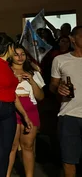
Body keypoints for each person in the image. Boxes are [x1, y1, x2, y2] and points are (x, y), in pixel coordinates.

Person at [0, 35, 33, 177]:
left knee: (6, 152)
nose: (15, 50)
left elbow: (12, 94)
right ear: (8, 47)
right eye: (13, 46)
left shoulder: (7, 67)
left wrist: (25, 115)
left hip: (9, 111)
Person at [6, 44, 45, 177]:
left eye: (22, 54)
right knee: (12, 146)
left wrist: (32, 80)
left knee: (28, 145)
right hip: (12, 110)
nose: (20, 57)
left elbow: (40, 97)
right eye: (16, 54)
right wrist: (16, 81)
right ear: (11, 56)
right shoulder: (6, 71)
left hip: (31, 110)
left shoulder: (33, 72)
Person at [49, 26, 82, 177]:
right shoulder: (60, 60)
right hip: (69, 115)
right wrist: (58, 88)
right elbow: (52, 85)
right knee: (69, 160)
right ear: (73, 39)